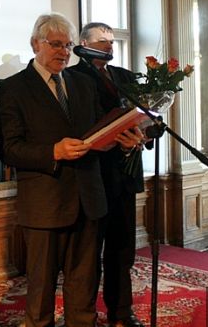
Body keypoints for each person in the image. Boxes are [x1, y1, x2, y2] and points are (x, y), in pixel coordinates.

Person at [0, 14, 141, 327]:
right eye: (56, 45)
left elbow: (100, 133)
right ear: (35, 44)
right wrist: (53, 152)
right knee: (41, 293)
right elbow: (10, 149)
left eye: (69, 46)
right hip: (45, 204)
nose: (64, 52)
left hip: (89, 201)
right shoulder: (12, 89)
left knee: (84, 288)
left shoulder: (83, 83)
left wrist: (125, 143)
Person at [71, 22, 145, 327]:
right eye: (102, 41)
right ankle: (84, 316)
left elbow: (146, 117)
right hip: (94, 177)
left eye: (112, 41)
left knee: (122, 251)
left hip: (125, 177)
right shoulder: (72, 77)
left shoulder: (125, 77)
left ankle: (121, 312)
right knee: (89, 255)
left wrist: (143, 134)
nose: (109, 46)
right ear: (84, 44)